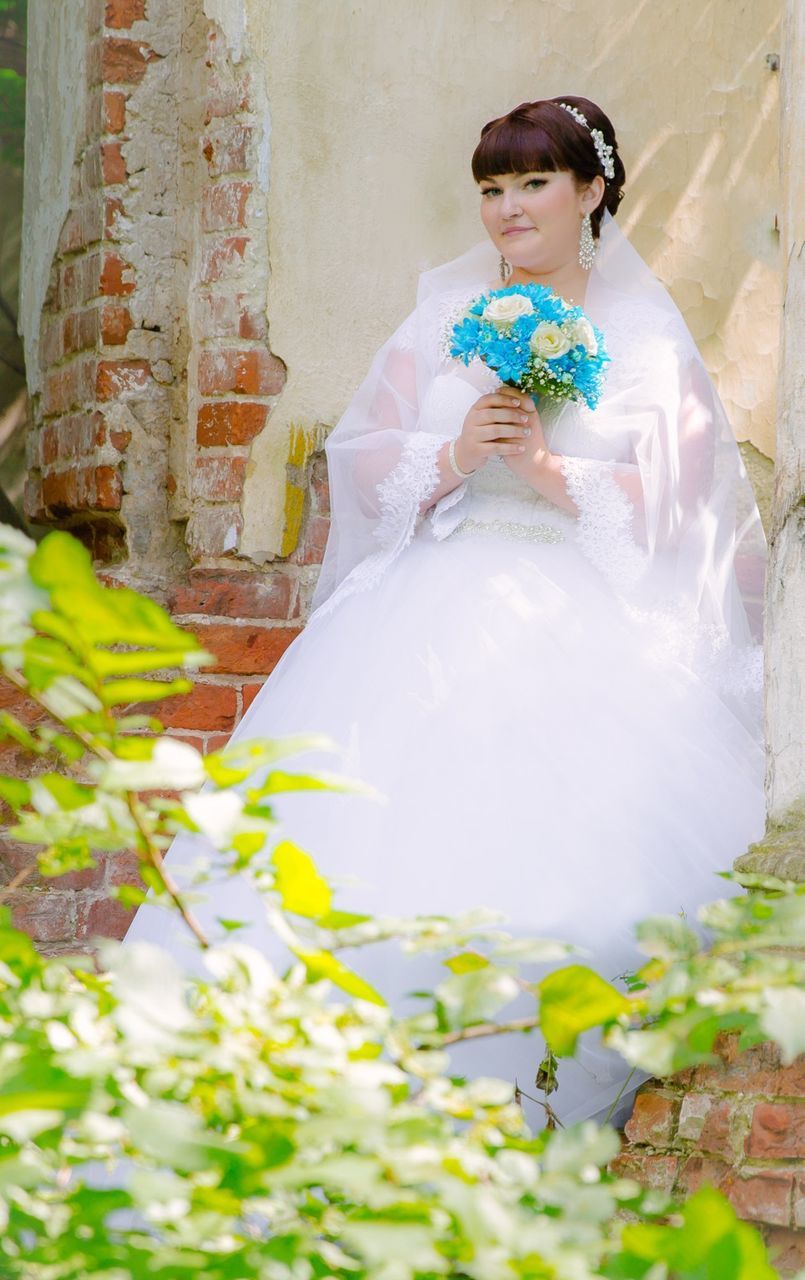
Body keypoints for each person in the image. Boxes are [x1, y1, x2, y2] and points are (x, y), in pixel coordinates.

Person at [123, 95, 767, 1131]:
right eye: (490, 190)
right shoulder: (443, 315)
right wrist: (460, 453)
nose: (507, 211)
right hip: (421, 610)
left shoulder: (645, 333)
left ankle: (512, 1126)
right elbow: (363, 464)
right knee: (327, 887)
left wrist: (552, 470)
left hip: (578, 620)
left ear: (591, 191)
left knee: (564, 903)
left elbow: (683, 513)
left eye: (532, 184)